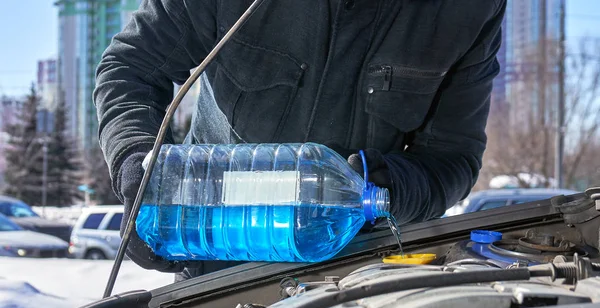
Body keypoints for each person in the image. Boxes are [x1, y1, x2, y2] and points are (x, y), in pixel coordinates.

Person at [94, 0, 506, 280]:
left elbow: (453, 156)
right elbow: (131, 65)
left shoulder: (467, 10)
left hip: (355, 268)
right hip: (218, 259)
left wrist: (391, 186)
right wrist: (136, 164)